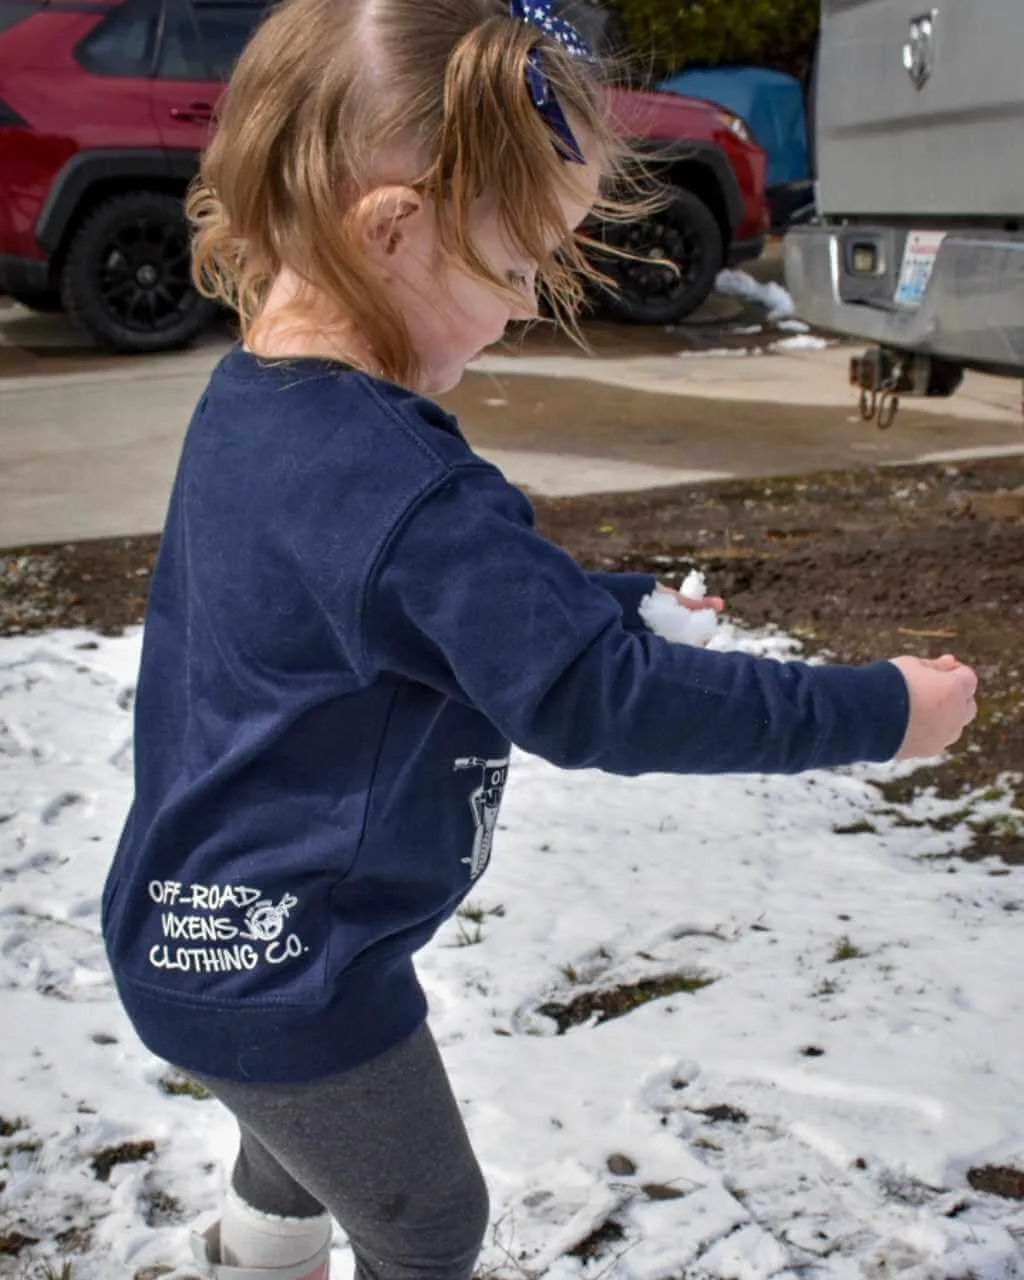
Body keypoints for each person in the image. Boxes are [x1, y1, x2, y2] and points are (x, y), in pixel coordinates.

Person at [100, 0, 979, 1276]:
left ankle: (246, 1256)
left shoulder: (256, 409)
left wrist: (601, 601)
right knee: (428, 1219)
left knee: (291, 1132)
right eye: (514, 267)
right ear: (393, 232)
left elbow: (383, 612)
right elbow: (599, 703)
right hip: (305, 972)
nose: (520, 311)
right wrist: (880, 710)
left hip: (204, 934)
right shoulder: (404, 486)